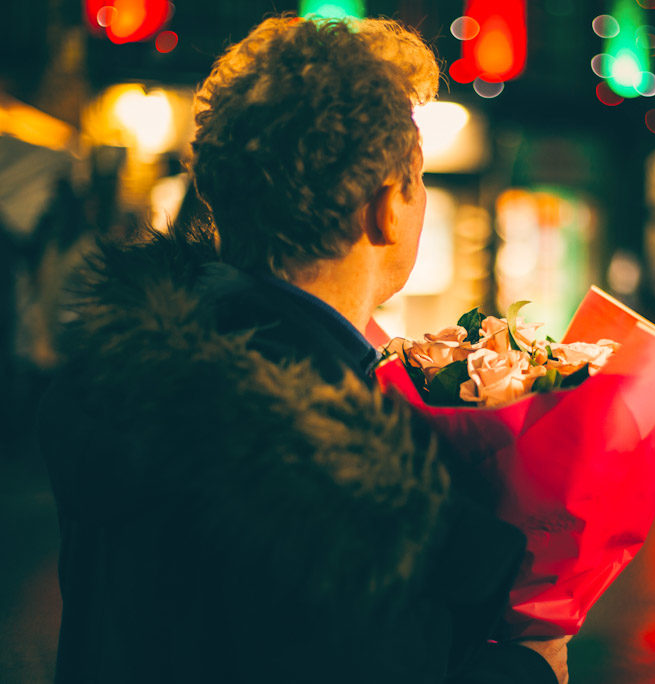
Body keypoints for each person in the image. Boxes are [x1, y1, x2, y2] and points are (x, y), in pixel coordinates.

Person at [39, 16, 567, 683]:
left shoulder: (133, 375)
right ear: (389, 208)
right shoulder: (326, 459)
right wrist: (530, 670)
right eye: (418, 178)